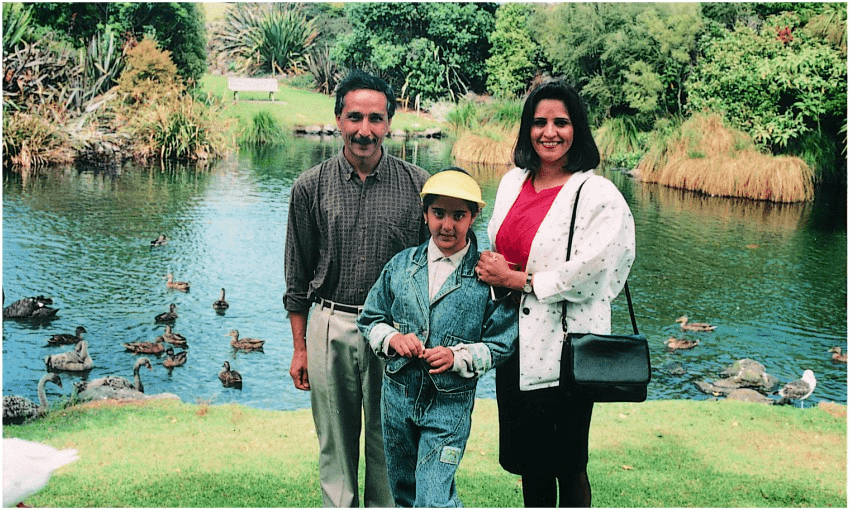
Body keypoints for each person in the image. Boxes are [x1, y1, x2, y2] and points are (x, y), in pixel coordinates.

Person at [475, 78, 636, 507]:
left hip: (565, 349)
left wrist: (519, 281)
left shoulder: (597, 194)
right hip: (514, 343)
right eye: (539, 122)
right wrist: (496, 271)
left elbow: (595, 272)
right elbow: (503, 245)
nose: (549, 132)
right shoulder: (513, 182)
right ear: (527, 128)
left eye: (561, 122)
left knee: (568, 462)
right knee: (530, 461)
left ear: (576, 129)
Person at [283, 70, 430, 508]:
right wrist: (300, 349)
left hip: (396, 332)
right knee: (335, 446)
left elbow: (433, 271)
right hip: (331, 325)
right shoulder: (309, 187)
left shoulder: (419, 185)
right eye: (354, 117)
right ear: (338, 120)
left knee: (390, 444)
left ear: (389, 123)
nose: (364, 130)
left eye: (375, 118)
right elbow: (296, 277)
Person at [357, 168, 518, 507]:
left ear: (474, 216)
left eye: (458, 215)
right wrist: (392, 339)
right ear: (425, 213)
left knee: (432, 498)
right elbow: (370, 318)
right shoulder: (401, 265)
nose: (447, 225)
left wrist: (458, 357)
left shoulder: (487, 277)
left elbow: (502, 343)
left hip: (449, 407)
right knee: (404, 493)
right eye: (439, 213)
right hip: (397, 400)